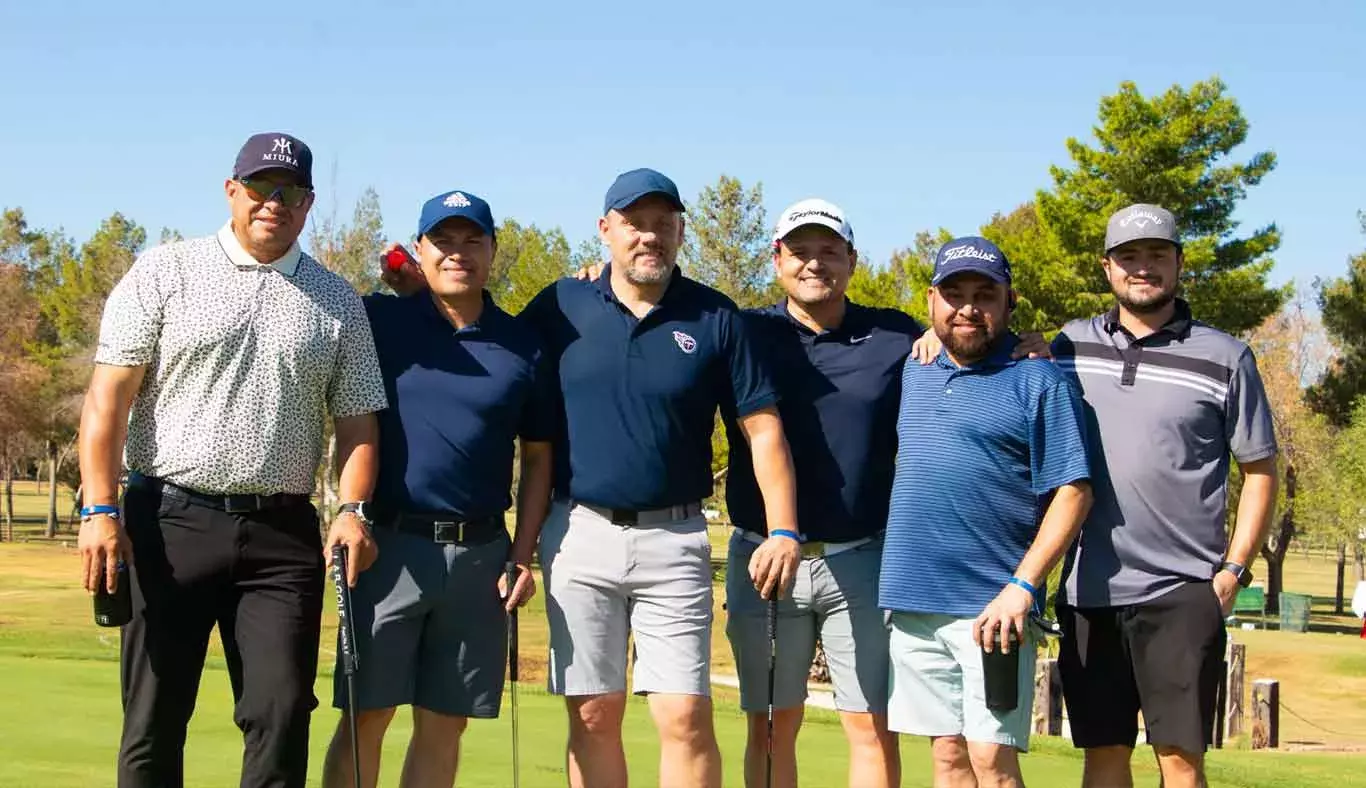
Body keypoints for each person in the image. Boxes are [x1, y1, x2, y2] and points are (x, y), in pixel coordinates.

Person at [76, 132, 388, 788]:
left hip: (281, 536)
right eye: (260, 189)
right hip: (167, 521)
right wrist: (99, 507)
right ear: (231, 192)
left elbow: (358, 424)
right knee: (154, 718)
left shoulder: (338, 302)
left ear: (307, 205)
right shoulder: (165, 271)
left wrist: (352, 507)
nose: (273, 203)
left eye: (290, 193)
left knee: (280, 713)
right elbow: (108, 400)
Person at [520, 168, 802, 788]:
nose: (648, 236)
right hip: (578, 534)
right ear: (605, 230)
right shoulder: (560, 305)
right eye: (633, 223)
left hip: (674, 540)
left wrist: (783, 526)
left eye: (662, 223)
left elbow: (761, 430)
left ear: (680, 231)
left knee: (685, 715)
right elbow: (485, 347)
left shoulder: (714, 316)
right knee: (593, 713)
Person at [320, 190, 553, 787]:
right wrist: (401, 275)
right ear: (420, 249)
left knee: (446, 724)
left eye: (472, 240)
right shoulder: (381, 321)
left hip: (480, 556)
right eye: (442, 241)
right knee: (365, 714)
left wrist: (521, 554)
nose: (458, 253)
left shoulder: (523, 344)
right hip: (388, 546)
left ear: (493, 249)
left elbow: (538, 458)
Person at [1051, 203, 1279, 788]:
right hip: (1088, 590)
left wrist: (1233, 570)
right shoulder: (1066, 347)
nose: (1143, 268)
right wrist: (931, 334)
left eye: (1157, 255)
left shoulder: (1226, 357)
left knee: (1179, 762)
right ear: (1108, 268)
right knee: (1102, 757)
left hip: (1182, 592)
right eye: (1129, 256)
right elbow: (980, 346)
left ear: (1179, 264)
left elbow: (1259, 469)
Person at [880, 236, 1093, 788]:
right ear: (931, 300)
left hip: (994, 611)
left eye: (984, 294)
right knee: (947, 758)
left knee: (993, 764)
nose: (968, 307)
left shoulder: (1039, 378)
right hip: (913, 599)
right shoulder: (912, 368)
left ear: (1008, 302)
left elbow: (1074, 493)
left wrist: (1024, 587)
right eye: (954, 294)